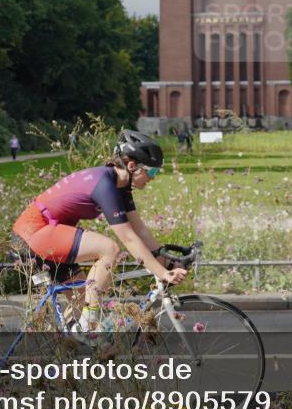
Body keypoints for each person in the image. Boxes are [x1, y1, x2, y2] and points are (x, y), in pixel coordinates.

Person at [12, 130, 187, 338]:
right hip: (34, 233)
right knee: (109, 249)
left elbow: (139, 230)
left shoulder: (120, 185)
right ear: (132, 166)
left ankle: (71, 350)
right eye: (151, 172)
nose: (152, 179)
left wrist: (164, 260)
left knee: (81, 306)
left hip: (50, 235)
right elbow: (129, 238)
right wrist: (162, 273)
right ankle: (89, 322)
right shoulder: (104, 185)